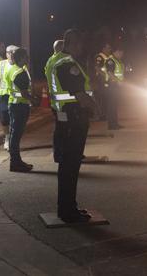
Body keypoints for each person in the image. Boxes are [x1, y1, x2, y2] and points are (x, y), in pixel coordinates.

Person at [48, 29, 97, 223]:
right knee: (71, 166)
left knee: (66, 166)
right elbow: (80, 94)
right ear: (73, 44)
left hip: (65, 118)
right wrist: (96, 107)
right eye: (80, 45)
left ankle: (68, 207)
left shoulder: (54, 60)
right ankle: (68, 210)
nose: (81, 48)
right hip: (74, 118)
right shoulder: (68, 64)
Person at [3, 48, 33, 171]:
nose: (28, 59)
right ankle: (15, 163)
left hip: (14, 105)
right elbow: (25, 93)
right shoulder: (20, 72)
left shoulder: (12, 69)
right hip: (20, 107)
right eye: (26, 56)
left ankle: (16, 161)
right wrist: (34, 100)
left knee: (13, 135)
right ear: (21, 58)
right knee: (16, 136)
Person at [0, 45, 16, 149]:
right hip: (4, 96)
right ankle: (7, 137)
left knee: (14, 119)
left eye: (13, 53)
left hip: (16, 96)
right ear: (6, 54)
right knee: (4, 118)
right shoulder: (1, 64)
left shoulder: (20, 64)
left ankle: (13, 139)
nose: (11, 55)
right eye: (10, 52)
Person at [44, 40, 66, 162]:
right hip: (61, 103)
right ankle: (59, 154)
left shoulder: (50, 60)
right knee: (62, 129)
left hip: (57, 102)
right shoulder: (60, 60)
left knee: (60, 128)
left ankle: (59, 154)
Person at [104, 49, 125, 130]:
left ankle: (115, 123)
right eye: (120, 52)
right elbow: (110, 73)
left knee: (114, 105)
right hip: (112, 85)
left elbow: (121, 73)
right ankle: (111, 125)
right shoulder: (110, 61)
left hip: (116, 85)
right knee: (111, 106)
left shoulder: (118, 61)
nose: (122, 54)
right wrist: (118, 81)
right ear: (116, 52)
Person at [94, 43, 112, 121]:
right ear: (103, 48)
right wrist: (105, 75)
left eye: (110, 48)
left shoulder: (108, 57)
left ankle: (105, 114)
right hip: (101, 81)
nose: (109, 50)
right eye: (108, 48)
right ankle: (102, 115)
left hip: (106, 80)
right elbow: (97, 68)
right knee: (102, 98)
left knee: (106, 98)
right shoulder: (100, 57)